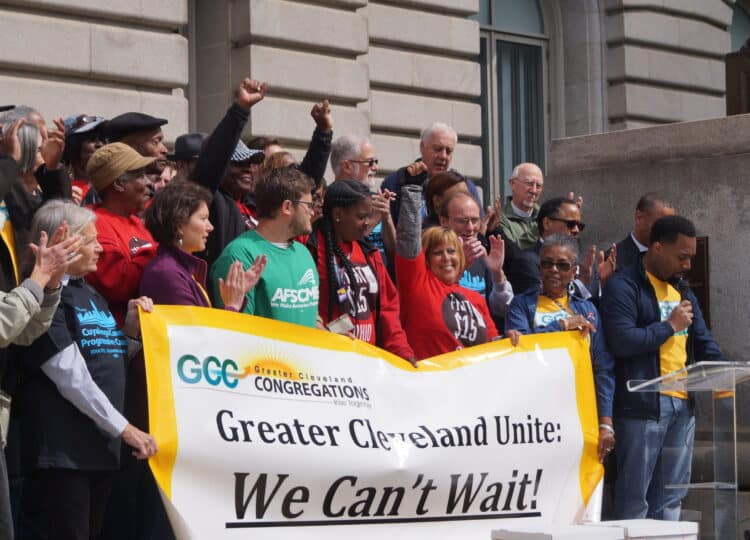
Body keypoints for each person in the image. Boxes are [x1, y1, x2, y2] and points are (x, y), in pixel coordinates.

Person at [15, 200, 157, 540]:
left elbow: (108, 359)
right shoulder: (47, 297)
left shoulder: (90, 293)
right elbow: (69, 375)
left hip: (99, 449)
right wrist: (125, 429)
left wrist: (130, 332)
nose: (100, 249)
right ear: (66, 241)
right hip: (62, 454)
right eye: (91, 240)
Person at [601, 215, 725, 520]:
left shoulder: (682, 290)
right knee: (635, 501)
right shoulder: (624, 285)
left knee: (671, 498)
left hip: (683, 406)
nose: (688, 265)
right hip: (643, 407)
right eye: (682, 257)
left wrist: (725, 371)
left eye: (691, 257)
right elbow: (622, 341)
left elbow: (703, 341)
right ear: (657, 248)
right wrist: (669, 326)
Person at [505, 234, 615, 463]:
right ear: (539, 267)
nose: (554, 270)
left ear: (574, 271)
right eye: (547, 263)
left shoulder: (587, 310)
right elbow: (520, 351)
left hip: (578, 412)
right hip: (533, 415)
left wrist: (605, 424)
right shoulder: (521, 305)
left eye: (562, 265)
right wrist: (562, 325)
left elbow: (603, 368)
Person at [395, 184, 519, 360]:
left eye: (452, 251)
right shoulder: (417, 285)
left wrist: (507, 339)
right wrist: (412, 195)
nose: (447, 258)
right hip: (430, 375)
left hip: (472, 375)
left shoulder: (476, 299)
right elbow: (408, 241)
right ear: (426, 260)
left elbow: (492, 343)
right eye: (438, 253)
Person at [307, 180, 414, 362]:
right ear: (338, 214)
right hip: (325, 359)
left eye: (369, 216)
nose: (367, 223)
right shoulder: (312, 249)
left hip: (367, 361)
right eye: (361, 217)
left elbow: (388, 310)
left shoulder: (369, 253)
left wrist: (403, 353)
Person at [210, 166, 319, 327]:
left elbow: (309, 316)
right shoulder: (240, 255)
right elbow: (235, 329)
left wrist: (329, 334)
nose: (312, 212)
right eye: (308, 205)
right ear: (287, 207)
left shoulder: (303, 253)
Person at [140, 180, 266, 309]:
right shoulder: (167, 273)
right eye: (203, 218)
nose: (210, 227)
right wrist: (232, 305)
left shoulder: (180, 269)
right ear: (178, 224)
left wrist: (237, 295)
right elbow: (190, 323)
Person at [84, 143, 158, 326]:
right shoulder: (93, 223)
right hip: (117, 334)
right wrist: (161, 254)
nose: (149, 182)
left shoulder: (136, 222)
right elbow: (117, 284)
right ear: (118, 183)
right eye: (140, 175)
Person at [381, 122, 483, 224]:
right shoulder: (396, 182)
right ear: (422, 147)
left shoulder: (464, 186)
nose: (443, 156)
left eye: (448, 151)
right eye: (438, 149)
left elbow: (477, 225)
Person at [439, 191, 513, 326]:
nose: (470, 228)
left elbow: (502, 310)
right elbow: (434, 300)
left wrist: (497, 274)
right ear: (444, 222)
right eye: (462, 221)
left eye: (474, 220)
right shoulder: (434, 257)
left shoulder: (481, 255)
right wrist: (461, 267)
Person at [330, 134, 396, 268]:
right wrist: (375, 218)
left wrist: (387, 218)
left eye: (376, 162)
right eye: (370, 162)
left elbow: (394, 255)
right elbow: (345, 242)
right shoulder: (329, 202)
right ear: (347, 166)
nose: (375, 168)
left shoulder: (376, 200)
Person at [612, 193, 675, 272]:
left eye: (671, 225)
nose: (667, 231)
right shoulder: (614, 260)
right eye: (661, 224)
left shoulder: (673, 256)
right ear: (639, 218)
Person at [492, 163, 544, 250]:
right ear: (512, 184)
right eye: (529, 183)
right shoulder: (500, 219)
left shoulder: (546, 217)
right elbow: (512, 250)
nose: (534, 191)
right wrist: (542, 227)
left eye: (538, 186)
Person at [61, 114, 108, 202]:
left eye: (102, 139)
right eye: (91, 139)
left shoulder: (114, 189)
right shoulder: (62, 192)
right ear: (73, 147)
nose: (100, 144)